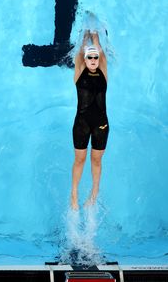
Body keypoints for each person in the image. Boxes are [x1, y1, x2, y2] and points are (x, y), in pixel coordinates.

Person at [70, 30, 108, 210]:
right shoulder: (78, 75)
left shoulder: (103, 74)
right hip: (81, 124)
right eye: (90, 57)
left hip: (101, 124)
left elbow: (99, 50)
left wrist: (95, 34)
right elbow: (79, 52)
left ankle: (94, 193)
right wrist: (86, 35)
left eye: (95, 57)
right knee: (80, 159)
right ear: (85, 60)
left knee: (96, 160)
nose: (93, 60)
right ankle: (74, 194)